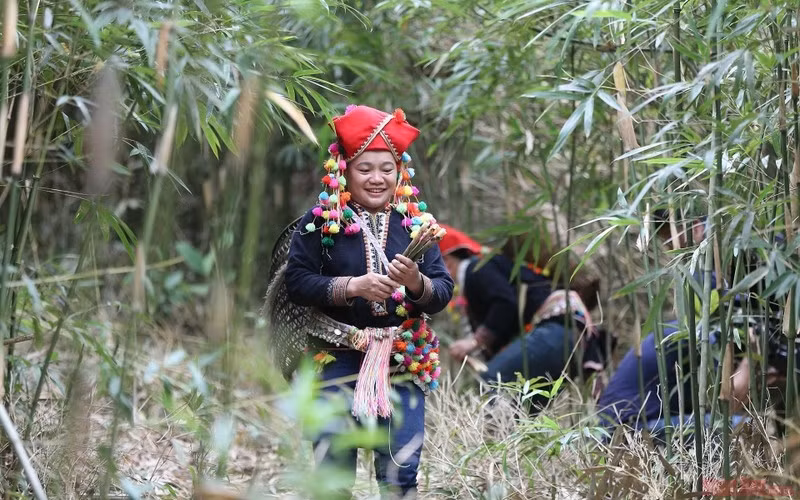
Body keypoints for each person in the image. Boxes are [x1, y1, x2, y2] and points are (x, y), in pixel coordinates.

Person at [283, 104, 454, 498]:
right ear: (344, 170)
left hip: (402, 357)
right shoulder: (320, 223)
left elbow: (441, 293)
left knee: (401, 469)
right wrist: (352, 286)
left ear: (400, 173)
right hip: (336, 356)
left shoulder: (417, 228)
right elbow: (297, 283)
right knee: (333, 468)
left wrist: (416, 282)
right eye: (365, 169)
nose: (377, 179)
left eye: (386, 169)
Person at [440, 225, 609, 409]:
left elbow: (505, 303)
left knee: (492, 380)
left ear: (446, 262)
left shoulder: (476, 269)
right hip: (566, 336)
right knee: (524, 407)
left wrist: (474, 342)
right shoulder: (481, 271)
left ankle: (494, 436)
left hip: (557, 331)